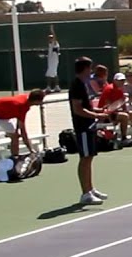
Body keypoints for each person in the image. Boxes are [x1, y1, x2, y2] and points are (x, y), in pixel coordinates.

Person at [67, 57, 111, 205]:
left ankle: (90, 189)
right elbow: (78, 109)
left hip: (89, 126)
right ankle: (85, 194)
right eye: (90, 68)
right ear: (85, 69)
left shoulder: (83, 84)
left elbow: (86, 106)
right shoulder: (77, 85)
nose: (91, 71)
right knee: (85, 158)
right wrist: (97, 116)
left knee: (89, 157)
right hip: (83, 127)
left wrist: (98, 110)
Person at [0, 89, 46, 176]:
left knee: (15, 136)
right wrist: (31, 149)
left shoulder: (25, 104)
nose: (42, 102)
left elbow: (20, 126)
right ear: (36, 101)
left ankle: (14, 161)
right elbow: (23, 131)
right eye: (41, 100)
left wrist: (30, 149)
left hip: (5, 117)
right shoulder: (21, 105)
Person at [43, 28, 61, 92]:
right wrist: (45, 56)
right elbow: (51, 53)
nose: (50, 39)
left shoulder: (55, 43)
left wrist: (52, 30)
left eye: (51, 38)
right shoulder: (50, 45)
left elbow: (54, 37)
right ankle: (55, 87)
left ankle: (50, 87)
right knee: (53, 74)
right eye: (49, 38)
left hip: (54, 62)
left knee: (50, 74)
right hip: (51, 62)